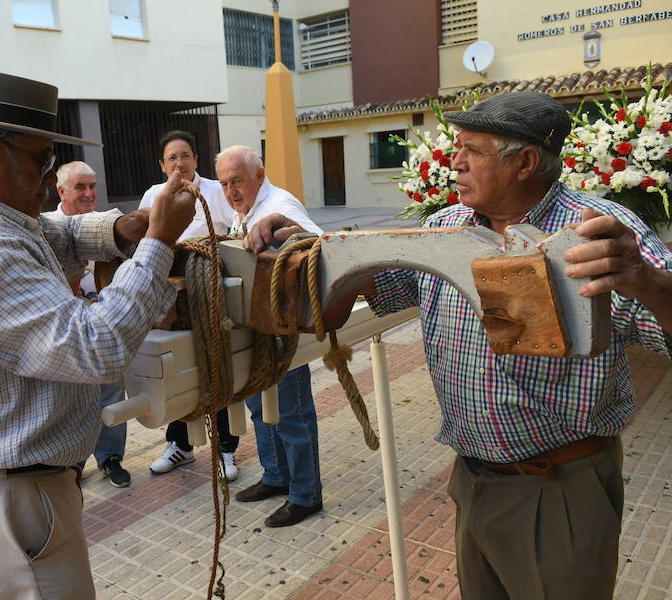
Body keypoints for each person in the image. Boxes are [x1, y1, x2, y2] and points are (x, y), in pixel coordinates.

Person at [245, 92, 672, 597]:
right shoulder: (443, 228)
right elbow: (377, 281)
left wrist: (645, 280)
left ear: (526, 162)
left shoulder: (598, 235)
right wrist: (312, 244)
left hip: (561, 488)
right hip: (471, 481)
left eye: (472, 149)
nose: (455, 161)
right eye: (456, 146)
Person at [0, 68, 195, 600]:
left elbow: (52, 232)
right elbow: (95, 348)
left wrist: (122, 230)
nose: (46, 176)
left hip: (16, 491)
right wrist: (158, 244)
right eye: (41, 161)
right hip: (9, 501)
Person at [215, 144, 325, 528]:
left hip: (283, 331)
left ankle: (305, 495)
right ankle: (276, 476)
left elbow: (317, 242)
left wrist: (295, 234)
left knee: (291, 413)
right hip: (256, 331)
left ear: (259, 177)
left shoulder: (281, 204)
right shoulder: (240, 211)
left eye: (238, 181)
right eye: (225, 183)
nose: (231, 190)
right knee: (261, 409)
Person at [140, 130, 240, 481]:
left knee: (218, 367)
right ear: (162, 164)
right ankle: (180, 444)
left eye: (185, 155)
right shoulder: (154, 196)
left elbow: (236, 230)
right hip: (172, 302)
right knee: (180, 372)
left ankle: (225, 449)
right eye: (172, 158)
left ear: (196, 159)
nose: (179, 163)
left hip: (211, 293)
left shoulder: (216, 191)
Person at [50, 160, 130, 488]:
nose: (89, 193)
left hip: (104, 331)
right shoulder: (49, 229)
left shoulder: (104, 226)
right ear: (61, 191)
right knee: (73, 401)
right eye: (80, 187)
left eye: (92, 186)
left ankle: (111, 457)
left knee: (112, 393)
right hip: (68, 336)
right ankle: (73, 461)